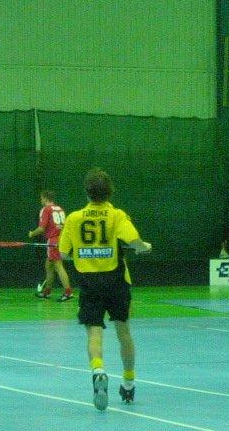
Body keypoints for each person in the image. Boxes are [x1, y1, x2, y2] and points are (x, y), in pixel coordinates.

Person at [58, 168, 151, 410]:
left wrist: (81, 252)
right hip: (116, 280)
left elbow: (63, 253)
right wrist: (143, 247)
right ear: (110, 191)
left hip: (90, 283)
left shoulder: (74, 218)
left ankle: (98, 370)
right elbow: (134, 241)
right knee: (123, 332)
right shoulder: (117, 215)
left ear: (87, 192)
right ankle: (128, 383)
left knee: (94, 332)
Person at [28, 190, 73, 301]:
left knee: (58, 266)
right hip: (61, 239)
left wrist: (32, 233)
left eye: (41, 198)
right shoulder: (60, 209)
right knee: (48, 265)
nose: (41, 200)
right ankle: (46, 292)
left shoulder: (46, 209)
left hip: (53, 241)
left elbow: (41, 228)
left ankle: (68, 293)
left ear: (45, 198)